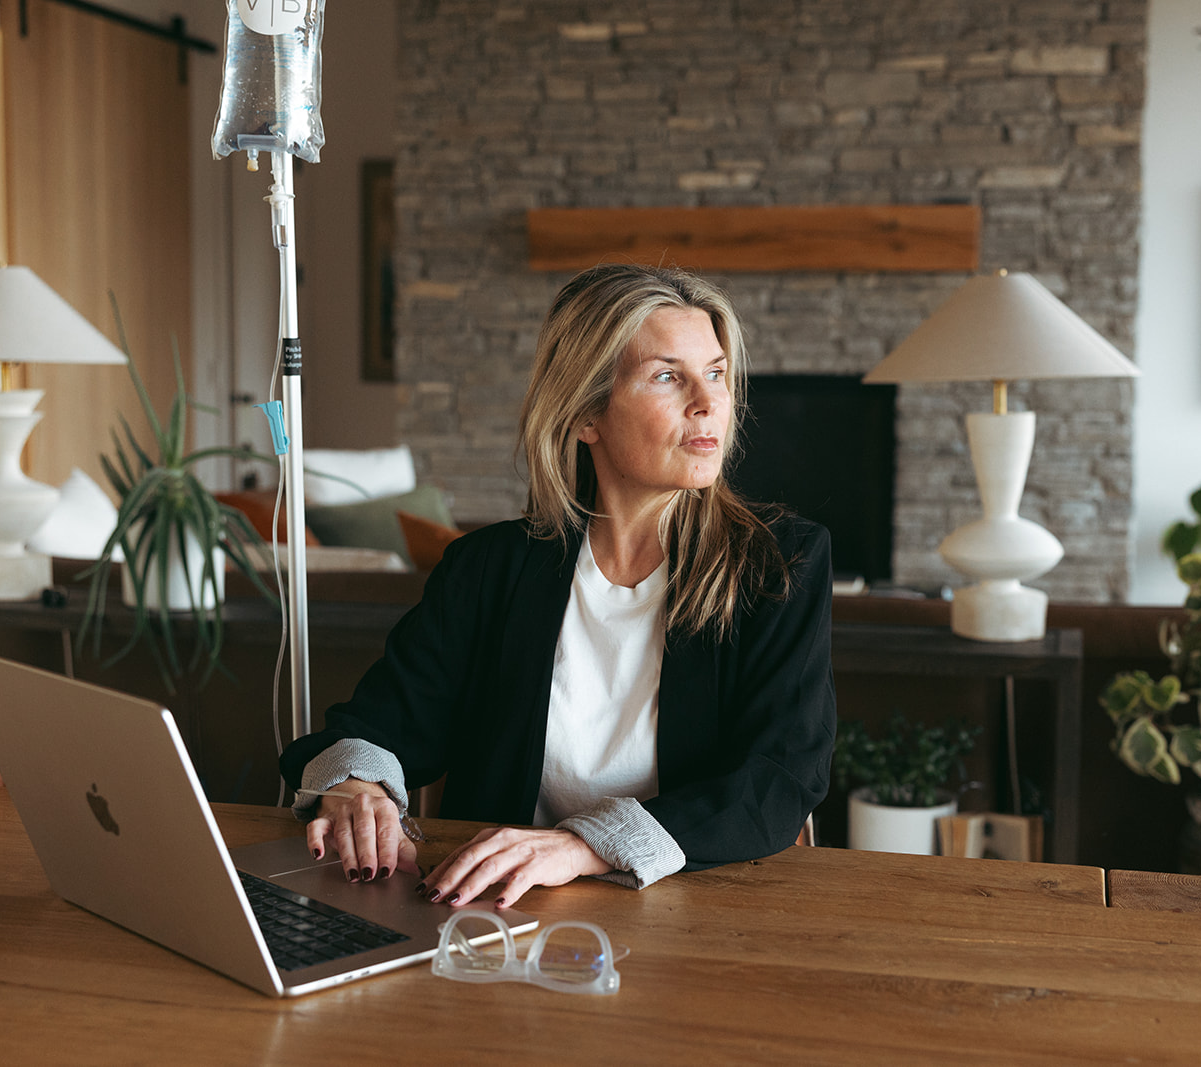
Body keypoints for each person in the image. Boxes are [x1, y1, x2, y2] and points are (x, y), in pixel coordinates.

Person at [279, 263, 836, 909]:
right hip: (494, 915)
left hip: (691, 912)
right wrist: (358, 790)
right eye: (667, 376)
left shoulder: (780, 564)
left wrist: (579, 846)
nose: (709, 401)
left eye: (716, 372)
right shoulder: (488, 568)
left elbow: (778, 778)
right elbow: (384, 724)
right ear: (585, 414)